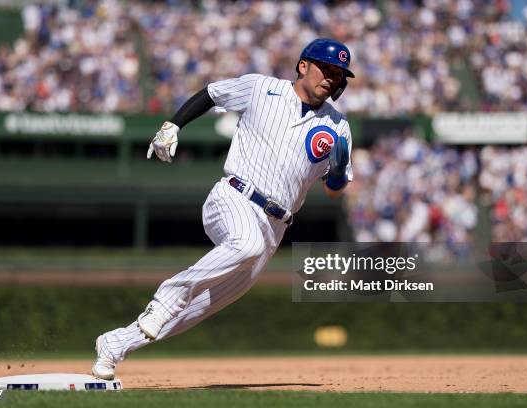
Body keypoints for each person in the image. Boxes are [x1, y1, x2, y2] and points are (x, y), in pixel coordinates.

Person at [92, 38, 355, 380]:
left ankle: (115, 345)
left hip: (276, 225)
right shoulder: (262, 88)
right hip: (234, 196)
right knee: (245, 244)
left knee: (202, 307)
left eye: (338, 74)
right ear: (303, 65)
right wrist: (173, 125)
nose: (331, 78)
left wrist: (337, 172)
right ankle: (167, 296)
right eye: (327, 68)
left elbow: (335, 191)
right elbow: (212, 93)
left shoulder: (338, 127)